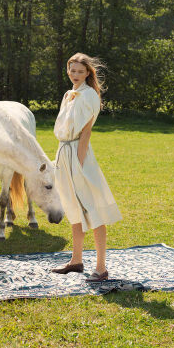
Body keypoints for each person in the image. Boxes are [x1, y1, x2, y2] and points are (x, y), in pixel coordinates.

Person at [51, 52, 122, 281]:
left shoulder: (90, 95)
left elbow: (86, 131)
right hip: (64, 152)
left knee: (93, 208)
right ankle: (76, 260)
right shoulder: (69, 94)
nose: (75, 75)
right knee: (73, 207)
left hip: (78, 155)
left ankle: (101, 268)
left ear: (88, 73)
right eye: (72, 70)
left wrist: (79, 163)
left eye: (80, 71)